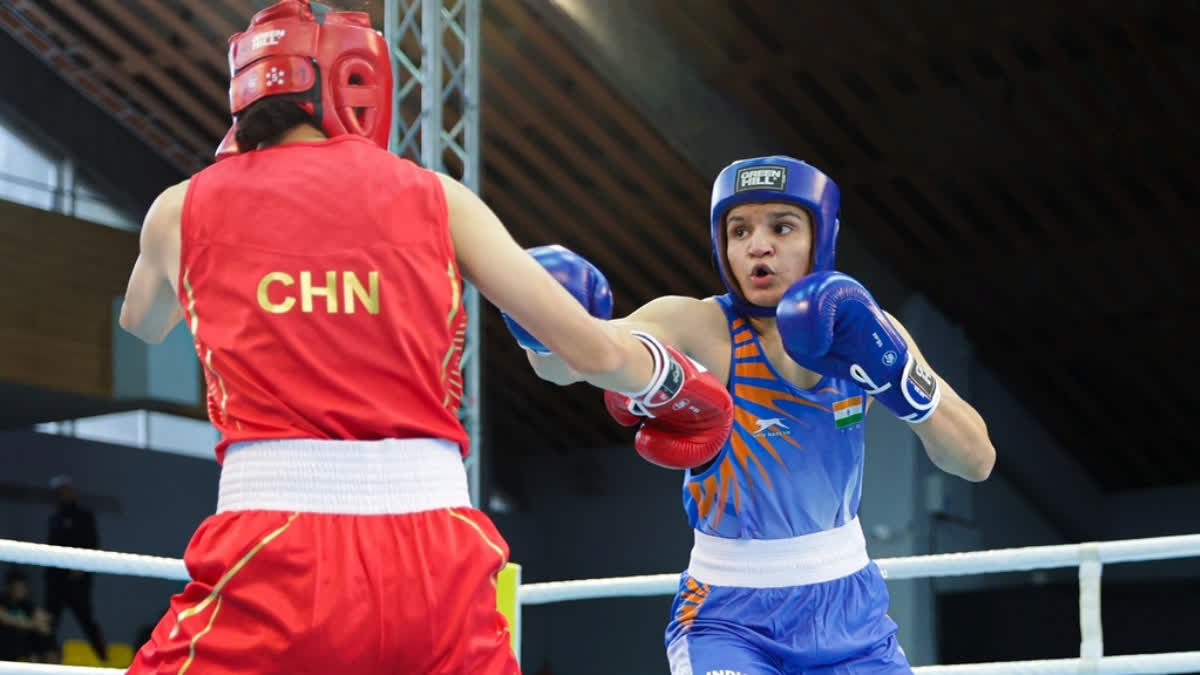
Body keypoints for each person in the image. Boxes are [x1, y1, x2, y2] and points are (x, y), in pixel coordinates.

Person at [116, 1, 733, 673]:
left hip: (270, 551)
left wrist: (222, 222)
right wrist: (676, 385)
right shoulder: (438, 196)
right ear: (355, 81)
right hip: (437, 556)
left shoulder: (182, 208)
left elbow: (141, 323)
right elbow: (593, 350)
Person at [504, 155, 997, 673]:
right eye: (739, 230)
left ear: (820, 238)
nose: (758, 246)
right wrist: (544, 323)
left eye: (781, 227)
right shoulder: (697, 325)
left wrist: (901, 383)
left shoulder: (867, 329)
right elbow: (576, 363)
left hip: (852, 615)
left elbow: (976, 460)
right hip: (728, 617)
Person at [44, 475, 107, 662]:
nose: (62, 494)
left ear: (71, 491)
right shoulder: (55, 518)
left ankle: (105, 659)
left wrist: (81, 567)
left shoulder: (84, 516)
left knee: (86, 619)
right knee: (49, 622)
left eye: (65, 489)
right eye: (59, 491)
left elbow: (92, 543)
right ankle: (46, 658)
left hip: (77, 581)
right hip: (55, 580)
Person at [1, 568, 57, 663]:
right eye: (18, 588)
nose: (21, 591)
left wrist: (43, 621)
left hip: (24, 645)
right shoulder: (2, 599)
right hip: (5, 643)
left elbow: (42, 618)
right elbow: (3, 618)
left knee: (45, 636)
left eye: (23, 588)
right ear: (9, 587)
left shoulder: (27, 604)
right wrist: (32, 624)